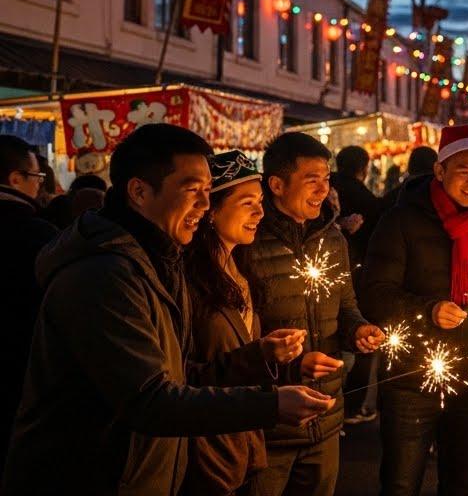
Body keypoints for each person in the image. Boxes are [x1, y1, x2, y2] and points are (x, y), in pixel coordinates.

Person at [2, 124, 334, 496]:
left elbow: (182, 374)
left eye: (208, 190)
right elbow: (150, 400)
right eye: (192, 190)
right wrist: (271, 404)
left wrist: (266, 358)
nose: (205, 205)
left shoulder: (162, 261)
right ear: (139, 191)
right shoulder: (104, 274)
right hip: (94, 476)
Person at [361, 123, 468, 496]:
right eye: (463, 171)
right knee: (401, 484)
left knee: (460, 484)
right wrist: (429, 310)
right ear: (440, 170)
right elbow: (374, 293)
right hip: (410, 376)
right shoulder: (402, 220)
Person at [184, 151, 337, 496]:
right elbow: (183, 377)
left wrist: (290, 364)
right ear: (211, 210)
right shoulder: (189, 281)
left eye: (259, 202)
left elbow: (244, 357)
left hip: (243, 444)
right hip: (205, 449)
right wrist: (261, 355)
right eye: (247, 203)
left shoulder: (240, 269)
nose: (260, 212)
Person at [247, 132, 385, 496]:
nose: (323, 189)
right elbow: (234, 338)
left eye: (326, 178)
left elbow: (346, 306)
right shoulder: (247, 242)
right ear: (277, 185)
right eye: (312, 180)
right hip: (269, 425)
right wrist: (291, 367)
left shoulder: (332, 238)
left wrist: (358, 331)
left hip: (326, 419)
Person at [0, 135, 59, 469]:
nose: (40, 185)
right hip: (22, 373)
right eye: (36, 177)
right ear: (15, 179)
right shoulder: (40, 236)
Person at [331, 145, 388, 425]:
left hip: (329, 277)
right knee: (362, 341)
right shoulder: (367, 200)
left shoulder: (329, 187)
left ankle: (329, 405)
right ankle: (351, 407)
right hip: (357, 277)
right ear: (364, 168)